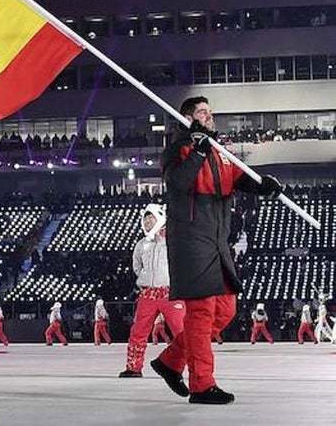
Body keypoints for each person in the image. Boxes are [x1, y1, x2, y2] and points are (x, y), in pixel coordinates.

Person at [150, 96, 283, 405]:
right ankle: (202, 385)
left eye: (210, 112)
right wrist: (197, 149)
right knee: (201, 314)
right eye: (201, 113)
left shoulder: (220, 151)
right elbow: (179, 182)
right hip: (191, 240)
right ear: (187, 119)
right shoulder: (177, 150)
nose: (209, 117)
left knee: (225, 310)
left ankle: (170, 361)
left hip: (217, 241)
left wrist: (262, 185)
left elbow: (238, 178)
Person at [121, 204, 184, 377]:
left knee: (181, 332)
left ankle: (182, 367)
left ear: (160, 218)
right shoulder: (141, 244)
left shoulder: (174, 239)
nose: (147, 221)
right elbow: (136, 266)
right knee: (138, 332)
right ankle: (133, 368)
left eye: (151, 217)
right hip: (148, 294)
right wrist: (145, 277)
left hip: (171, 293)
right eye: (145, 218)